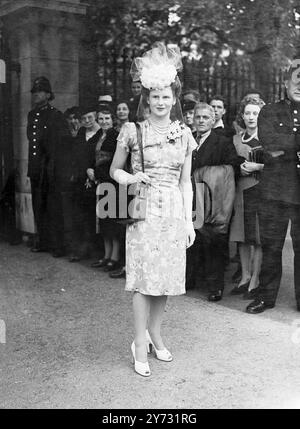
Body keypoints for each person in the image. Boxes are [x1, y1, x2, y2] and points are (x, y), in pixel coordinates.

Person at [110, 42, 196, 377]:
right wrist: (132, 175)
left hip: (173, 212)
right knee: (145, 281)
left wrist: (189, 222)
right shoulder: (133, 130)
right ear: (147, 98)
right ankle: (138, 342)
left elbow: (186, 182)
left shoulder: (184, 134)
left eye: (166, 96)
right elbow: (114, 171)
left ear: (174, 98)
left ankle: (155, 333)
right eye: (155, 96)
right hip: (144, 211)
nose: (160, 102)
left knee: (166, 280)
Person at [246, 62, 300, 314]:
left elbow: (280, 147)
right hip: (275, 191)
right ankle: (266, 298)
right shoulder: (269, 111)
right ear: (286, 83)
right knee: (271, 247)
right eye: (297, 79)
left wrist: (285, 147)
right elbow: (269, 144)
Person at [186, 103, 241, 301]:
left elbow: (233, 165)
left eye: (205, 118)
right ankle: (189, 279)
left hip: (212, 199)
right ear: (193, 119)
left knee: (214, 242)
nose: (201, 120)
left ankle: (215, 286)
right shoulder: (187, 138)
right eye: (198, 117)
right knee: (190, 238)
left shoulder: (222, 142)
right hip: (190, 196)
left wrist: (206, 174)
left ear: (212, 120)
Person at [27, 76, 69, 257]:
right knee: (38, 205)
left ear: (48, 94)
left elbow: (61, 144)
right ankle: (42, 241)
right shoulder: (32, 115)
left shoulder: (56, 115)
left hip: (50, 168)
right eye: (34, 92)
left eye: (39, 92)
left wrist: (53, 167)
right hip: (37, 168)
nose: (35, 95)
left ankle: (58, 245)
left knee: (53, 206)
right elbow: (32, 141)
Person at [229, 97, 265, 299]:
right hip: (239, 190)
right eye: (248, 113)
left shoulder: (267, 139)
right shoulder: (236, 139)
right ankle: (244, 276)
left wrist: (257, 166)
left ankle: (255, 280)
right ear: (242, 115)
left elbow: (278, 167)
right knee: (241, 236)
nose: (251, 117)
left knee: (257, 237)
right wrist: (238, 169)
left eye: (256, 113)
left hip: (259, 190)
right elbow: (229, 163)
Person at [89, 107, 121, 272]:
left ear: (112, 119)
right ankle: (106, 255)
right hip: (100, 181)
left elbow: (116, 162)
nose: (104, 122)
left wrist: (98, 172)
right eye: (101, 119)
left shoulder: (116, 136)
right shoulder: (97, 136)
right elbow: (90, 156)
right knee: (103, 220)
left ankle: (114, 257)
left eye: (107, 118)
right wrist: (89, 169)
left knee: (111, 221)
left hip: (111, 182)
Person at [68, 106, 102, 262]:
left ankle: (95, 250)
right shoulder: (81, 133)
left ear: (95, 115)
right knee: (79, 215)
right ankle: (80, 249)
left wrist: (92, 173)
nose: (87, 121)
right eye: (84, 119)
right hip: (80, 179)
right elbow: (75, 156)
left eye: (90, 117)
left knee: (93, 215)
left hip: (95, 178)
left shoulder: (102, 133)